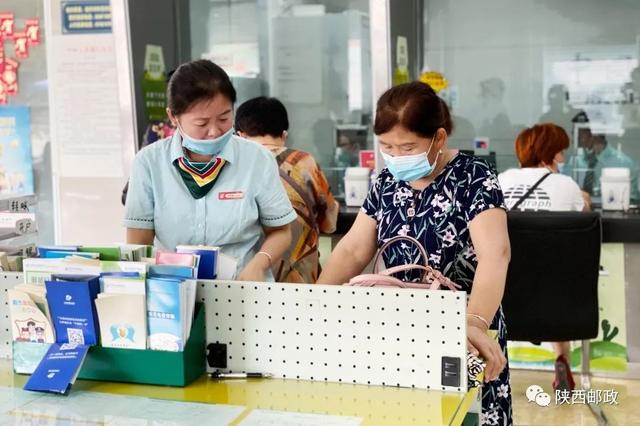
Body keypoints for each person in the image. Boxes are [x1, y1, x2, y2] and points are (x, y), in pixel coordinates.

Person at [317, 81, 512, 425]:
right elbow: (352, 248)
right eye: (386, 147)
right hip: (399, 329)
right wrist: (315, 300)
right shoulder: (386, 181)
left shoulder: (474, 178)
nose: (395, 157)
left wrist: (475, 324)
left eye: (407, 147)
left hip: (463, 329)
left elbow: (496, 255)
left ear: (439, 138)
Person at [124, 60, 297, 282]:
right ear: (173, 117)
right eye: (201, 123)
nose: (214, 131)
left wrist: (259, 263)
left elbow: (281, 231)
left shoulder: (257, 159)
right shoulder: (149, 163)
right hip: (174, 289)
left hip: (242, 289)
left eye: (224, 118)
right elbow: (139, 241)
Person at [498, 123, 588, 392]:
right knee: (557, 279)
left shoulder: (501, 179)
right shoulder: (566, 184)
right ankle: (562, 358)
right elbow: (583, 210)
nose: (564, 157)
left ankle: (494, 367)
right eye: (561, 151)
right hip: (555, 299)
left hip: (504, 293)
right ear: (553, 154)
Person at [235, 96, 339, 283]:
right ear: (284, 135)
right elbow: (329, 222)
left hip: (248, 277)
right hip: (299, 276)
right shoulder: (302, 162)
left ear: (240, 135)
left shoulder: (235, 166)